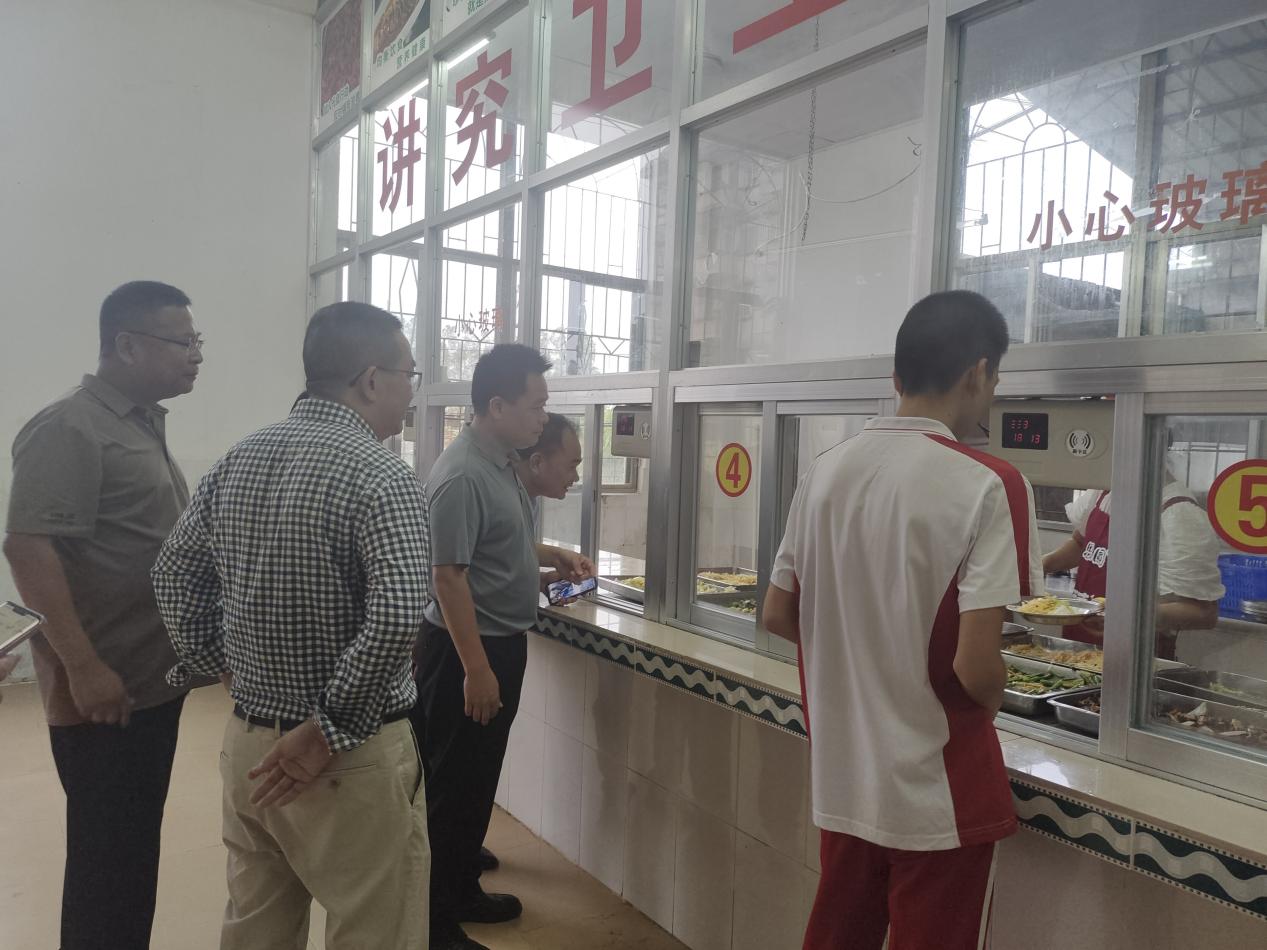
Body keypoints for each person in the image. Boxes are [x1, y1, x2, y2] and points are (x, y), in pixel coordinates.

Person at [763, 290, 1043, 950]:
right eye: (995, 380)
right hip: (937, 789)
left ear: (896, 377)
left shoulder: (823, 472)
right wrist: (992, 696)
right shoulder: (990, 482)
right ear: (978, 372)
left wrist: (865, 656)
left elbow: (777, 612)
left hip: (845, 773)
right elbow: (975, 666)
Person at [151, 302, 432, 950]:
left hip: (250, 747)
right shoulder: (383, 475)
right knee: (375, 929)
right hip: (348, 761)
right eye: (409, 376)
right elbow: (396, 616)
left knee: (257, 925)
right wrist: (326, 730)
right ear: (371, 380)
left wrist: (216, 660)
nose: (411, 393)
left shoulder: (240, 458)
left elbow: (172, 572)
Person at [3, 280, 205, 950]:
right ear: (126, 345)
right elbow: (28, 547)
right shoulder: (70, 426)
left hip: (147, 683)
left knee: (129, 857)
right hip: (105, 692)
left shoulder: (138, 423)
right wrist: (83, 667)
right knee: (107, 866)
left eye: (196, 341)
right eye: (181, 341)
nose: (195, 355)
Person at [412, 344, 593, 950]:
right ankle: (434, 924)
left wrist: (545, 563)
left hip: (496, 644)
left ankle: (461, 888)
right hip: (466, 652)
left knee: (476, 777)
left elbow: (493, 547)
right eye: (535, 406)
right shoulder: (464, 473)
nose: (543, 417)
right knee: (451, 786)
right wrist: (476, 669)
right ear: (496, 406)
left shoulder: (500, 466)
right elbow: (448, 576)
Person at [1041, 473, 1223, 653]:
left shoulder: (1179, 512)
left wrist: (1129, 616)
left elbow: (1204, 613)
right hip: (1078, 646)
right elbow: (1080, 543)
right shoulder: (1103, 492)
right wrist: (1043, 565)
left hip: (1135, 655)